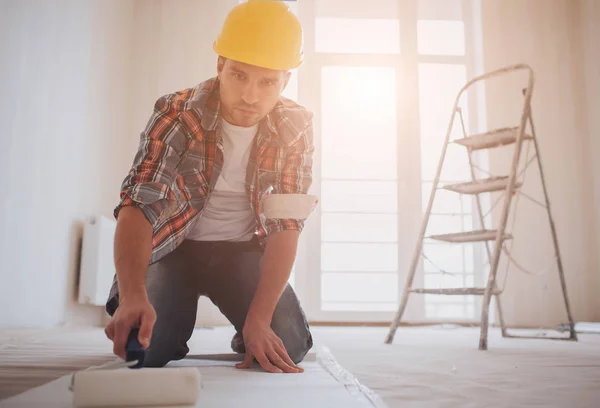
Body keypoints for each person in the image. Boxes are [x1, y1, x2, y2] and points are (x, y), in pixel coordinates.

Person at [103, 1, 317, 374]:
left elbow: (286, 225)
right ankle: (168, 318)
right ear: (220, 65)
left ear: (285, 80)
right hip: (173, 249)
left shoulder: (295, 127)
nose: (250, 96)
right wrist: (133, 295)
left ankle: (247, 328)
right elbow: (139, 202)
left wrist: (260, 318)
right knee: (145, 351)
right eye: (238, 76)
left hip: (240, 252)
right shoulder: (178, 111)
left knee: (289, 345)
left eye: (267, 82)